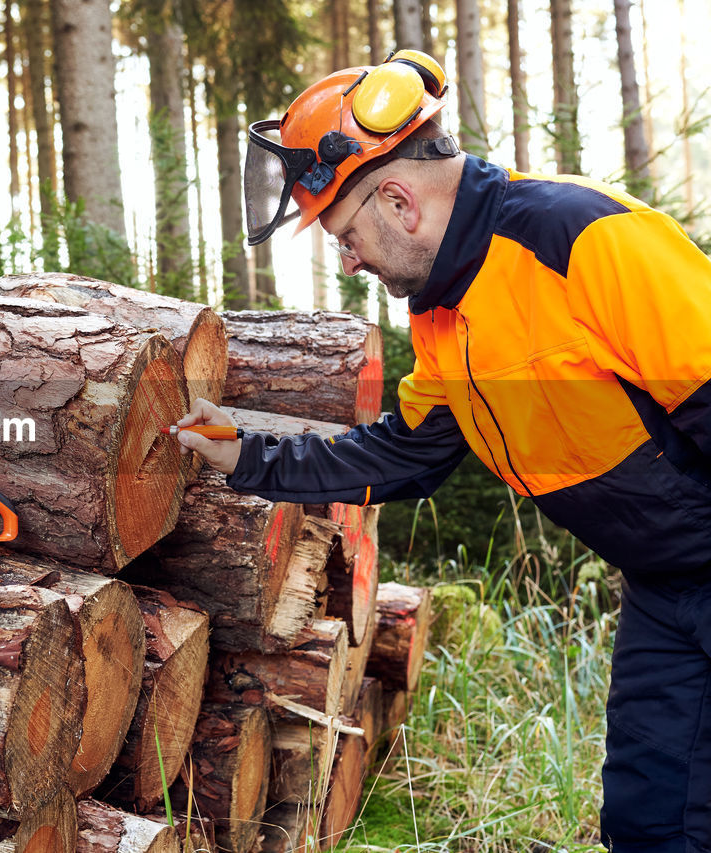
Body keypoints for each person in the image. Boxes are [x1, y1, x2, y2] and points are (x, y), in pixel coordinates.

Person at [177, 50, 711, 852]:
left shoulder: (583, 237)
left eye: (347, 235)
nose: (350, 260)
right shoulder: (445, 315)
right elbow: (402, 455)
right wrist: (242, 453)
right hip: (666, 586)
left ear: (399, 199)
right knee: (649, 819)